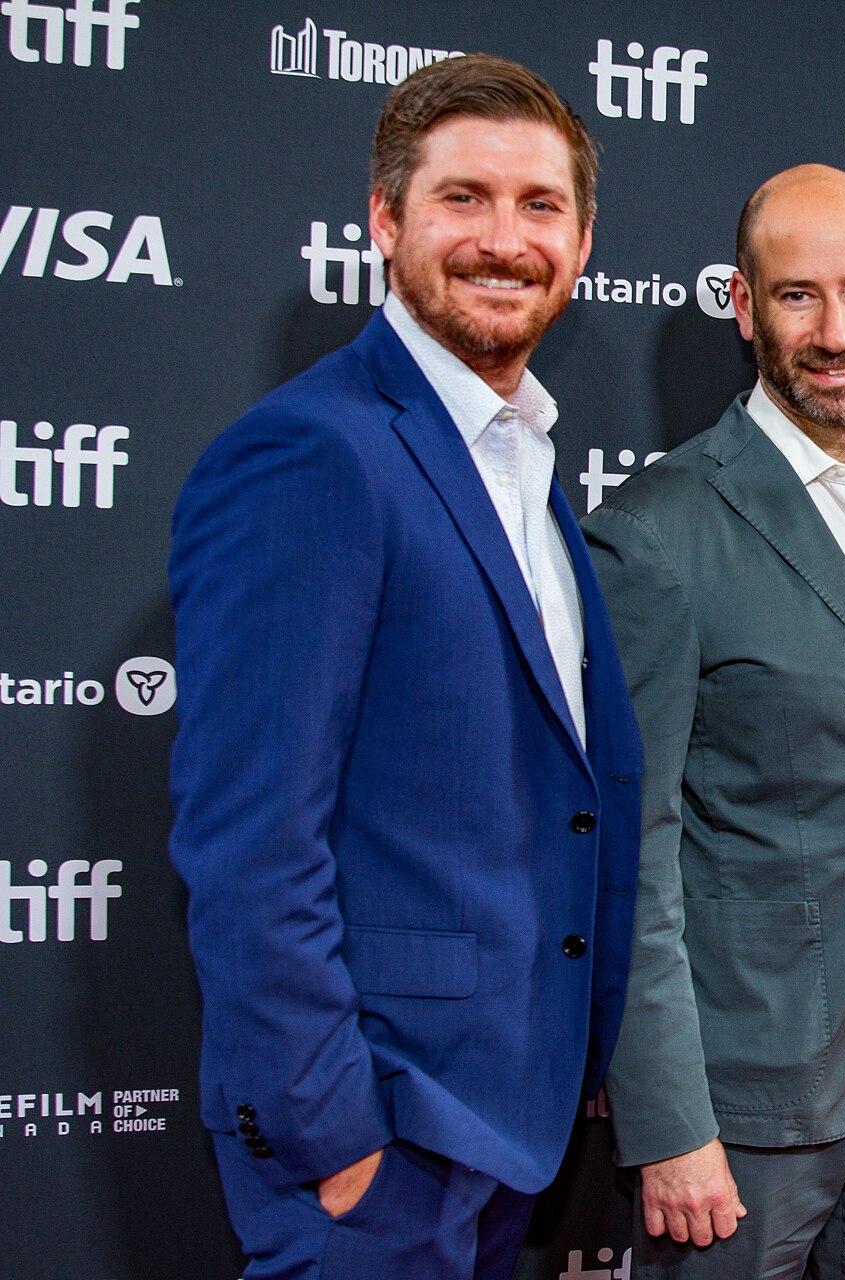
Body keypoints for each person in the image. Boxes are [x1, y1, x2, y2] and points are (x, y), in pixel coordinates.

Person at [166, 54, 642, 1277]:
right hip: (375, 1144)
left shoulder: (527, 458)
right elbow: (252, 838)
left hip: (507, 1128)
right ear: (385, 220)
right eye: (462, 199)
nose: (504, 238)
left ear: (582, 243)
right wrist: (332, 1138)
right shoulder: (310, 454)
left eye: (540, 206)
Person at [582, 164, 845, 1280]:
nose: (835, 329)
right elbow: (632, 845)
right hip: (743, 1100)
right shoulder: (657, 532)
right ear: (744, 306)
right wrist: (665, 1121)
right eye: (798, 295)